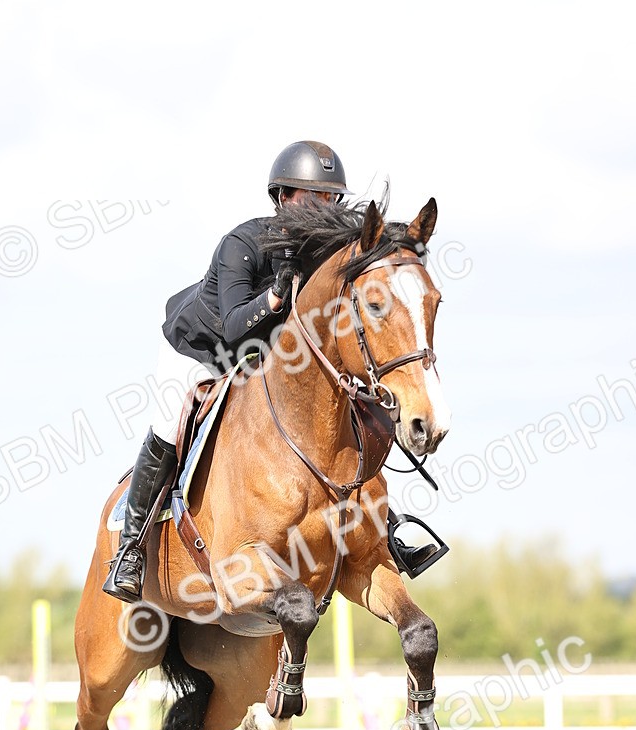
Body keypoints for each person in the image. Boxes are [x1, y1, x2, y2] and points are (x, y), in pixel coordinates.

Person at [103, 140, 439, 603]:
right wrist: (274, 298)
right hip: (204, 350)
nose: (324, 207)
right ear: (283, 197)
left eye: (331, 199)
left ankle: (385, 528)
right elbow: (236, 327)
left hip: (268, 358)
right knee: (167, 429)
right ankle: (131, 549)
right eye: (312, 197)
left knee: (350, 411)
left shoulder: (325, 252)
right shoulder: (242, 244)